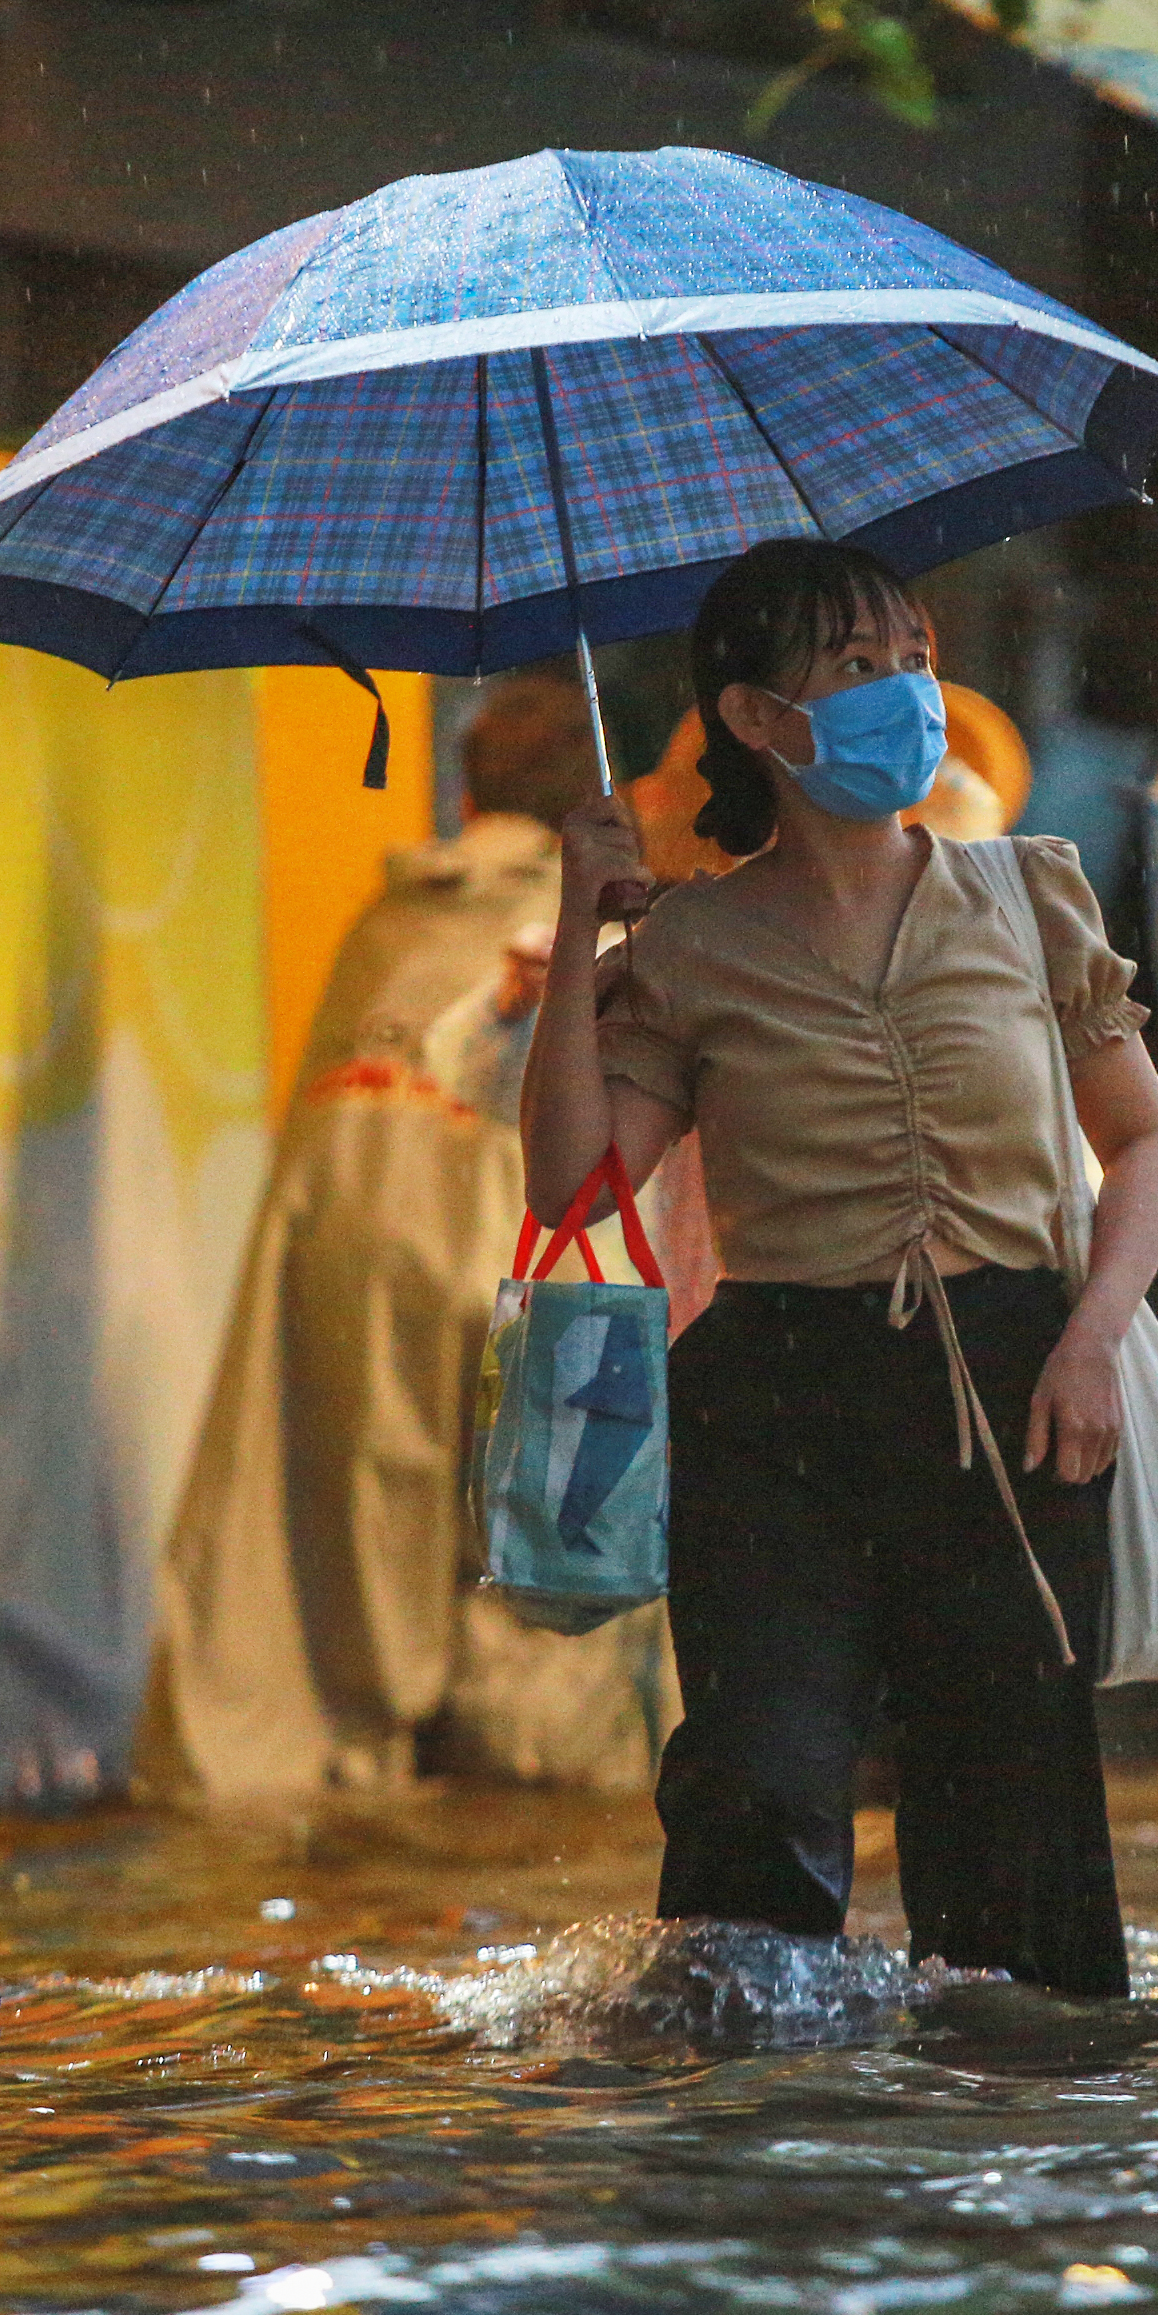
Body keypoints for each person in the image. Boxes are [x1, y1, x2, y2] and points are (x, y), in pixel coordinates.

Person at [523, 537, 1158, 1997]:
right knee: (756, 1779)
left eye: (916, 660)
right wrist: (583, 927)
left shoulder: (1030, 895)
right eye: (860, 668)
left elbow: (1144, 1147)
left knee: (1015, 1812)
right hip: (773, 1402)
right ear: (759, 719)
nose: (909, 695)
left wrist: (1093, 1341)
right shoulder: (688, 946)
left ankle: (1002, 2130)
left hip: (1014, 1383)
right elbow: (572, 1192)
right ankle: (746, 2136)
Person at [136, 673, 675, 1803]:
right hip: (503, 1250)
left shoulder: (390, 915)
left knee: (358, 1520)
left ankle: (354, 1743)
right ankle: (529, 1776)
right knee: (527, 1521)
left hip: (345, 1245)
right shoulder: (595, 913)